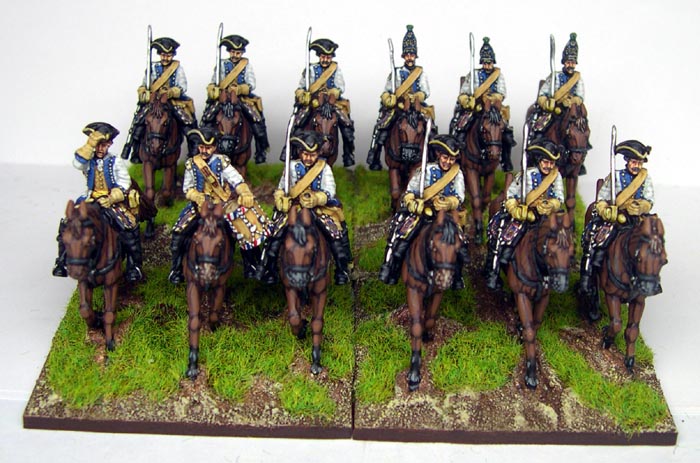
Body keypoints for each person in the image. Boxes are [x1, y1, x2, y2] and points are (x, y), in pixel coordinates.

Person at [168, 127, 270, 284]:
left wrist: (245, 193)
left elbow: (237, 180)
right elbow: (187, 189)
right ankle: (176, 270)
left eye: (208, 147)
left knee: (245, 230)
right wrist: (196, 196)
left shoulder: (222, 162)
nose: (204, 150)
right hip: (199, 206)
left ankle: (251, 265)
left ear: (214, 147)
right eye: (202, 147)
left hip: (223, 204)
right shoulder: (192, 164)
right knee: (179, 232)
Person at [53, 122, 144, 282]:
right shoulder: (88, 159)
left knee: (129, 226)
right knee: (68, 224)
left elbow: (124, 182)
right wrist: (90, 145)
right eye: (98, 145)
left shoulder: (115, 161)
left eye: (104, 145)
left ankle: (134, 266)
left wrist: (112, 197)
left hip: (111, 200)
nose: (101, 149)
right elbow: (77, 163)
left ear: (109, 144)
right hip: (90, 199)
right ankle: (62, 261)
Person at [258, 131, 352, 285]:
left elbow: (330, 190)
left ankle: (342, 269)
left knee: (334, 234)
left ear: (318, 153)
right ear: (299, 152)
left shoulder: (324, 168)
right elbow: (282, 187)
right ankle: (270, 268)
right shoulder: (291, 167)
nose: (308, 158)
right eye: (305, 154)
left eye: (312, 155)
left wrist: (317, 199)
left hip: (319, 209)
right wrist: (280, 199)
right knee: (276, 234)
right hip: (294, 207)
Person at [378, 134, 467, 288]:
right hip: (423, 212)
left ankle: (457, 277)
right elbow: (410, 192)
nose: (448, 162)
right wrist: (413, 204)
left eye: (452, 159)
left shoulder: (457, 174)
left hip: (445, 214)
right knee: (401, 235)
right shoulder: (426, 170)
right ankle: (391, 267)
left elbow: (459, 196)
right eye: (445, 157)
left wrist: (448, 203)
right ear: (439, 155)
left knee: (459, 243)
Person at [483, 139, 565, 290]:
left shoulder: (556, 176)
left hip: (546, 216)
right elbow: (511, 194)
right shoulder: (527, 174)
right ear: (539, 161)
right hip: (525, 214)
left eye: (551, 163)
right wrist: (515, 208)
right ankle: (495, 269)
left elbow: (559, 197)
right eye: (546, 162)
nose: (548, 166)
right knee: (506, 238)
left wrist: (550, 205)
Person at [579, 140, 655, 294]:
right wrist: (606, 210)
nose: (637, 166)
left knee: (652, 244)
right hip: (615, 218)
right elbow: (601, 198)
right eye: (634, 162)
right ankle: (590, 275)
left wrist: (641, 207)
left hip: (636, 218)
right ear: (627, 161)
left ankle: (649, 277)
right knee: (598, 241)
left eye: (639, 163)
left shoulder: (645, 179)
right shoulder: (615, 177)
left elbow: (649, 200)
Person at [366, 25, 436, 171]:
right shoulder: (396, 73)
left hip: (417, 106)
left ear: (415, 56)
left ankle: (432, 155)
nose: (409, 57)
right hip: (398, 107)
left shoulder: (421, 74)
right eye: (407, 55)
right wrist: (389, 98)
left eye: (412, 55)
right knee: (382, 126)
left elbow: (425, 90)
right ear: (404, 56)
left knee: (431, 128)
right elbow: (387, 90)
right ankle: (375, 155)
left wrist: (418, 96)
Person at [123, 37, 197, 163]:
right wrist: (144, 93)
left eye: (168, 55)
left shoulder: (177, 68)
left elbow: (182, 86)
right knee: (138, 122)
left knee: (187, 123)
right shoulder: (152, 67)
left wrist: (171, 92)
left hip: (172, 101)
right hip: (154, 101)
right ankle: (134, 150)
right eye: (163, 55)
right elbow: (145, 84)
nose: (166, 58)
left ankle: (194, 149)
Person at [201, 34, 270, 164]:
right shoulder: (222, 64)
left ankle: (261, 150)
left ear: (242, 53)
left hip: (241, 98)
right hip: (222, 96)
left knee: (257, 120)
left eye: (238, 52)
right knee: (207, 118)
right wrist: (213, 89)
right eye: (233, 52)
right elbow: (214, 80)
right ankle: (201, 146)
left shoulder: (246, 65)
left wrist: (240, 89)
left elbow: (251, 83)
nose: (235, 55)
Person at [449, 37, 515, 171]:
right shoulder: (473, 75)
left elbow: (501, 92)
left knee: (506, 132)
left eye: (489, 63)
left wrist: (490, 98)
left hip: (493, 108)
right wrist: (467, 100)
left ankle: (506, 159)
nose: (487, 65)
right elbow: (464, 92)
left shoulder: (498, 76)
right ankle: (457, 154)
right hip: (475, 108)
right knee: (459, 127)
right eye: (485, 63)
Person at [288, 38, 356, 167]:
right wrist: (303, 95)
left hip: (331, 101)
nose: (325, 60)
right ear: (319, 56)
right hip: (313, 101)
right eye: (323, 57)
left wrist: (333, 93)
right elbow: (301, 87)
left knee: (346, 124)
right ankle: (290, 149)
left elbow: (340, 86)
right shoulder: (311, 69)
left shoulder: (335, 69)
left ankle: (348, 153)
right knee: (297, 122)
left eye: (328, 57)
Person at [536, 33, 585, 115]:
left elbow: (580, 97)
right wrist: (546, 103)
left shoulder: (577, 78)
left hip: (570, 108)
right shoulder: (555, 76)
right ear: (564, 63)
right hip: (554, 108)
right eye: (568, 63)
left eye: (573, 63)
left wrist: (571, 101)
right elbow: (542, 95)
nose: (571, 65)